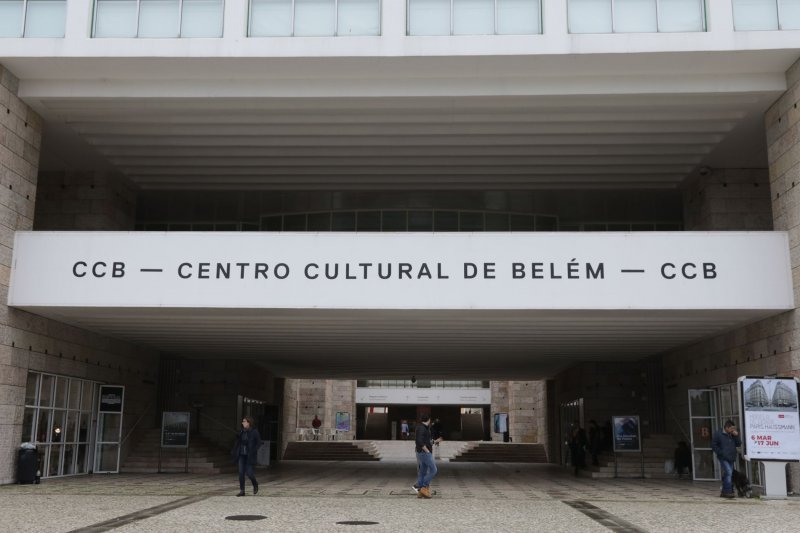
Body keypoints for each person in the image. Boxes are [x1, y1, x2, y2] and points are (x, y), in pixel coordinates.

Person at [230, 416, 262, 496]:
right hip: (241, 455)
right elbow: (238, 442)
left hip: (249, 455)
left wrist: (253, 450)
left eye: (244, 421)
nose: (242, 423)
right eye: (243, 421)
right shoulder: (241, 431)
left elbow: (259, 443)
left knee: (250, 473)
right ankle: (242, 490)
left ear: (249, 423)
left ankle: (255, 484)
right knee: (241, 473)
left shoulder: (254, 432)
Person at [413, 413, 441, 499]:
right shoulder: (422, 428)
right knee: (434, 469)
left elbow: (427, 441)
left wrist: (435, 441)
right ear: (428, 420)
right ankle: (423, 487)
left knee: (423, 472)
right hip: (424, 452)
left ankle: (421, 492)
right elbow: (420, 441)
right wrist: (427, 451)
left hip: (422, 452)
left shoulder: (423, 427)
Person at [711, 420, 741, 499]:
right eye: (731, 428)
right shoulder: (718, 434)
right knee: (729, 473)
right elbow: (714, 445)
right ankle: (728, 491)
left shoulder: (732, 434)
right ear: (726, 427)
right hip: (723, 457)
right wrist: (721, 453)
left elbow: (738, 443)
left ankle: (724, 492)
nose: (733, 430)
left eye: (734, 428)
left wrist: (736, 435)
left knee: (728, 474)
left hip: (731, 457)